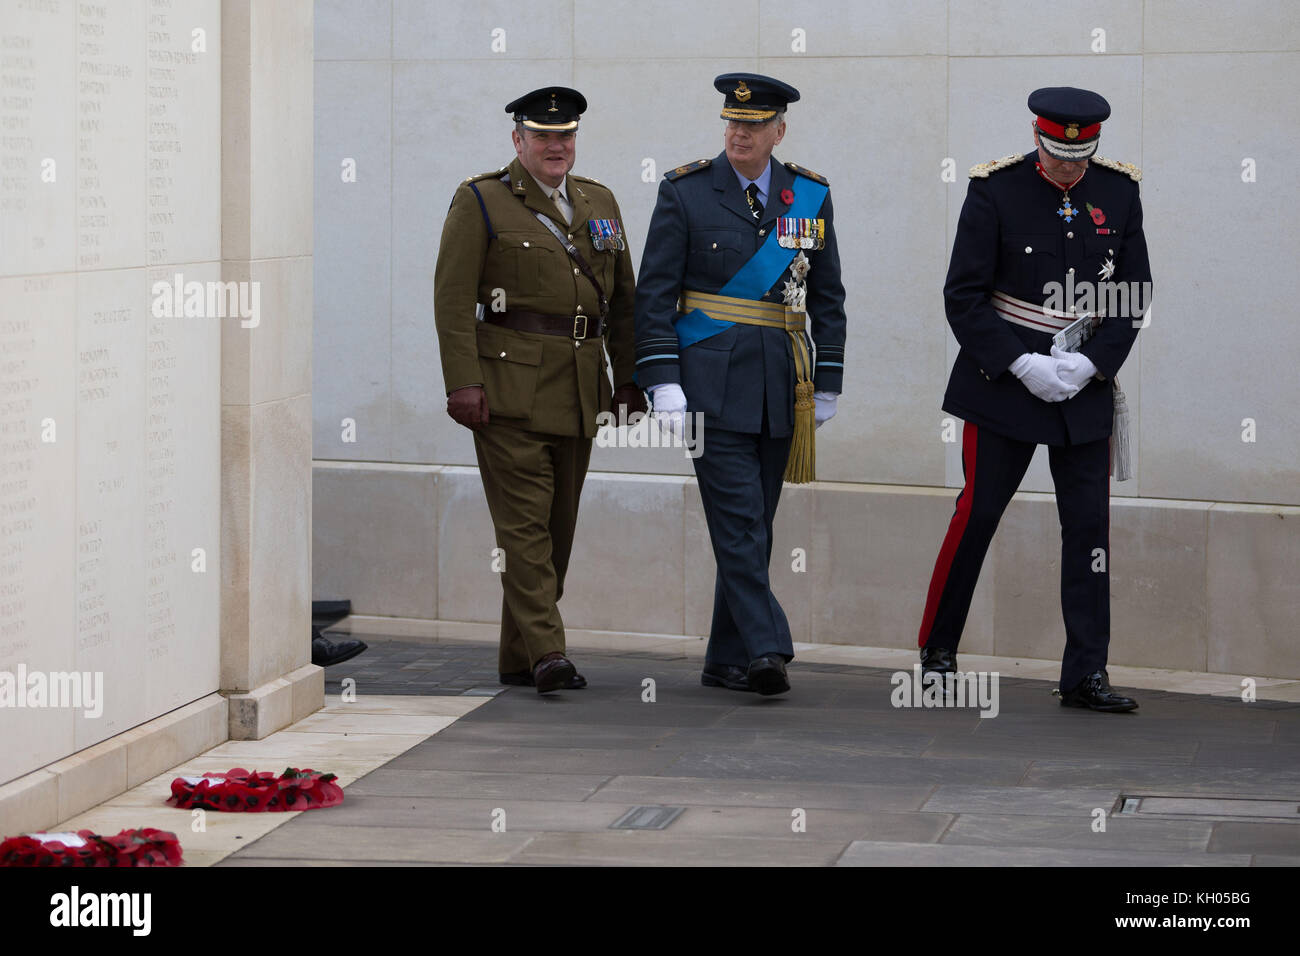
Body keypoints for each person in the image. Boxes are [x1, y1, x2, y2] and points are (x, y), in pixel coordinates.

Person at [916, 87, 1152, 712]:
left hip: (1081, 385)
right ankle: (938, 651)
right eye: (1057, 154)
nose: (1070, 167)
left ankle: (1085, 673)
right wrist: (1021, 363)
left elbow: (1133, 294)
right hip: (1005, 382)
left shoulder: (1119, 191)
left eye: (1081, 156)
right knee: (977, 515)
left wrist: (1091, 364)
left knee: (1088, 530)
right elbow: (962, 295)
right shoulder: (995, 189)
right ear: (1037, 137)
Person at [634, 74, 847, 696]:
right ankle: (768, 647)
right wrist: (662, 382)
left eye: (753, 126)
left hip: (783, 385)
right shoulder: (685, 192)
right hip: (708, 386)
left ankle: (724, 659)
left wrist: (827, 379)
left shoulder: (808, 195)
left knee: (756, 523)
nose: (739, 134)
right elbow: (653, 294)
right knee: (739, 524)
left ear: (778, 131)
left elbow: (827, 294)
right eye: (731, 123)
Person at [433, 87, 645, 693]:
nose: (557, 146)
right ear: (518, 140)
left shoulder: (600, 202)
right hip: (507, 391)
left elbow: (625, 302)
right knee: (524, 528)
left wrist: (628, 377)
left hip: (581, 391)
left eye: (566, 136)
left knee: (557, 529)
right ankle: (550, 653)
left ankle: (518, 655)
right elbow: (452, 300)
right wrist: (463, 382)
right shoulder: (481, 201)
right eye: (543, 136)